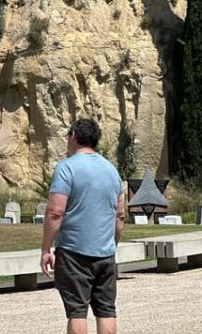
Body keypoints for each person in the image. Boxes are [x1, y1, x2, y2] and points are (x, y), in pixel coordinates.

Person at [40, 118, 125, 334]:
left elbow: (55, 212)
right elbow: (120, 215)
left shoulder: (66, 168)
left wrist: (45, 249)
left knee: (77, 312)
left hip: (74, 252)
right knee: (106, 310)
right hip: (105, 252)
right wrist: (112, 244)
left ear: (74, 137)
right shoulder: (112, 171)